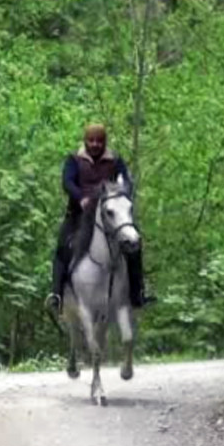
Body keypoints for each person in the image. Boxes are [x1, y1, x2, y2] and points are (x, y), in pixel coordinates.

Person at [45, 123, 154, 313]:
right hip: (79, 215)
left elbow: (126, 180)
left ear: (105, 142)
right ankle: (57, 294)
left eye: (99, 141)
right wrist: (81, 198)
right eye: (91, 141)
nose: (95, 144)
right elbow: (67, 182)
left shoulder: (115, 160)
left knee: (134, 244)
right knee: (62, 247)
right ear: (85, 141)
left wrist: (122, 193)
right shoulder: (74, 160)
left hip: (109, 215)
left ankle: (137, 293)